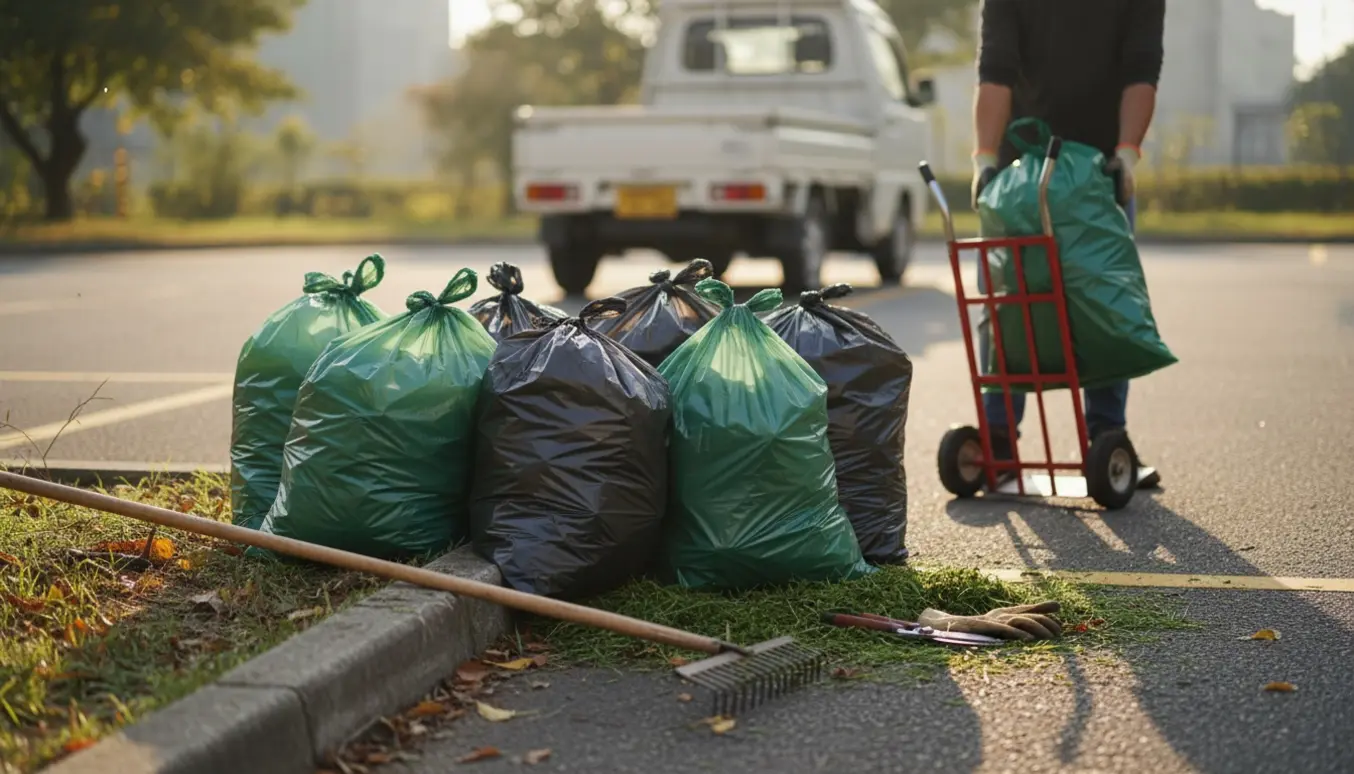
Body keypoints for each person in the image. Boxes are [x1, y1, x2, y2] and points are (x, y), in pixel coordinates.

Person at [969, 0, 1164, 488]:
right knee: (1100, 299)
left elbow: (1141, 70)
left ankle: (1092, 437)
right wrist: (985, 158)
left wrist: (1126, 154)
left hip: (1078, 174)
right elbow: (997, 70)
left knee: (1012, 302)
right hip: (1056, 172)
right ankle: (1064, 437)